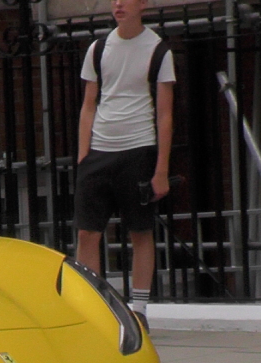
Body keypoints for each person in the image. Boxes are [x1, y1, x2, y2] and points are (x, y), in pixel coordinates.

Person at [75, 0, 174, 323]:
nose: (118, 4)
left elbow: (165, 114)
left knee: (140, 231)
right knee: (87, 233)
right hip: (99, 152)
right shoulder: (98, 48)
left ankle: (140, 309)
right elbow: (89, 105)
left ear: (142, 3)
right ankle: (96, 306)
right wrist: (83, 156)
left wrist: (161, 170)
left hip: (139, 149)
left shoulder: (159, 50)